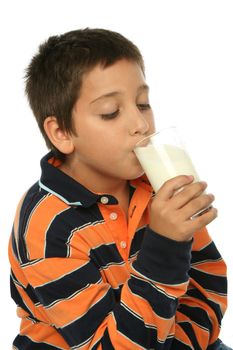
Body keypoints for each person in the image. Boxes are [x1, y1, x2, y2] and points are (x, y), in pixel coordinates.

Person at [9, 28, 231, 350]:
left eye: (142, 104)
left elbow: (208, 287)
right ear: (61, 133)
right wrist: (164, 245)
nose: (140, 124)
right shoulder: (47, 226)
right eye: (111, 112)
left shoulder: (158, 188)